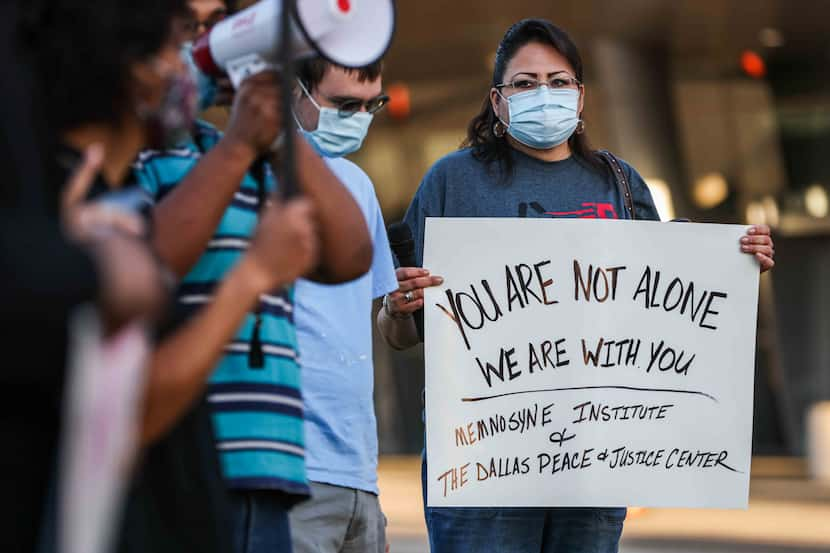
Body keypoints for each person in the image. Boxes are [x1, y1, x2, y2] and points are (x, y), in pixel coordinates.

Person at [377, 18, 776, 553]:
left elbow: (663, 315)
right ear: (497, 102)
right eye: (524, 83)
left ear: (581, 95)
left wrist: (736, 264)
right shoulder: (452, 182)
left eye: (558, 81)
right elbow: (403, 334)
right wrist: (397, 309)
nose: (544, 93)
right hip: (481, 460)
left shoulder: (620, 184)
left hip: (593, 455)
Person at [18, 1, 321, 551]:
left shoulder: (93, 200)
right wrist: (252, 275)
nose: (190, 68)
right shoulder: (82, 217)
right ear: (132, 68)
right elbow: (133, 409)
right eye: (171, 47)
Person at [132, 9, 375, 553]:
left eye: (217, 23)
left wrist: (276, 133)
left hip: (270, 462)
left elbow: (349, 254)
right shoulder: (139, 152)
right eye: (187, 26)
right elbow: (150, 261)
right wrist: (240, 143)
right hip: (182, 461)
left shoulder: (245, 152)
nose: (205, 43)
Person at [287, 57, 397, 553]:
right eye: (342, 104)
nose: (358, 117)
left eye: (370, 105)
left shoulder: (358, 186)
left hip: (358, 473)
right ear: (296, 92)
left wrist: (402, 306)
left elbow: (373, 316)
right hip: (289, 470)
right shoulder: (241, 179)